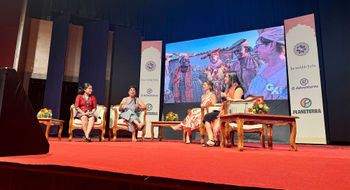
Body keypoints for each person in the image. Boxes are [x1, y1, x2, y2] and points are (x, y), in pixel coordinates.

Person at [202, 71, 244, 147]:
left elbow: (237, 101)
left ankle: (215, 140)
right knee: (207, 117)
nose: (225, 78)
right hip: (224, 110)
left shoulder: (238, 88)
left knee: (210, 117)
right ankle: (212, 139)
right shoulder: (228, 89)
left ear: (231, 78)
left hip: (233, 112)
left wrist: (226, 96)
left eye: (226, 77)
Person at [246, 26, 288, 100]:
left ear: (271, 45)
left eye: (258, 45)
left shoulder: (286, 72)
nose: (256, 50)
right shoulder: (263, 68)